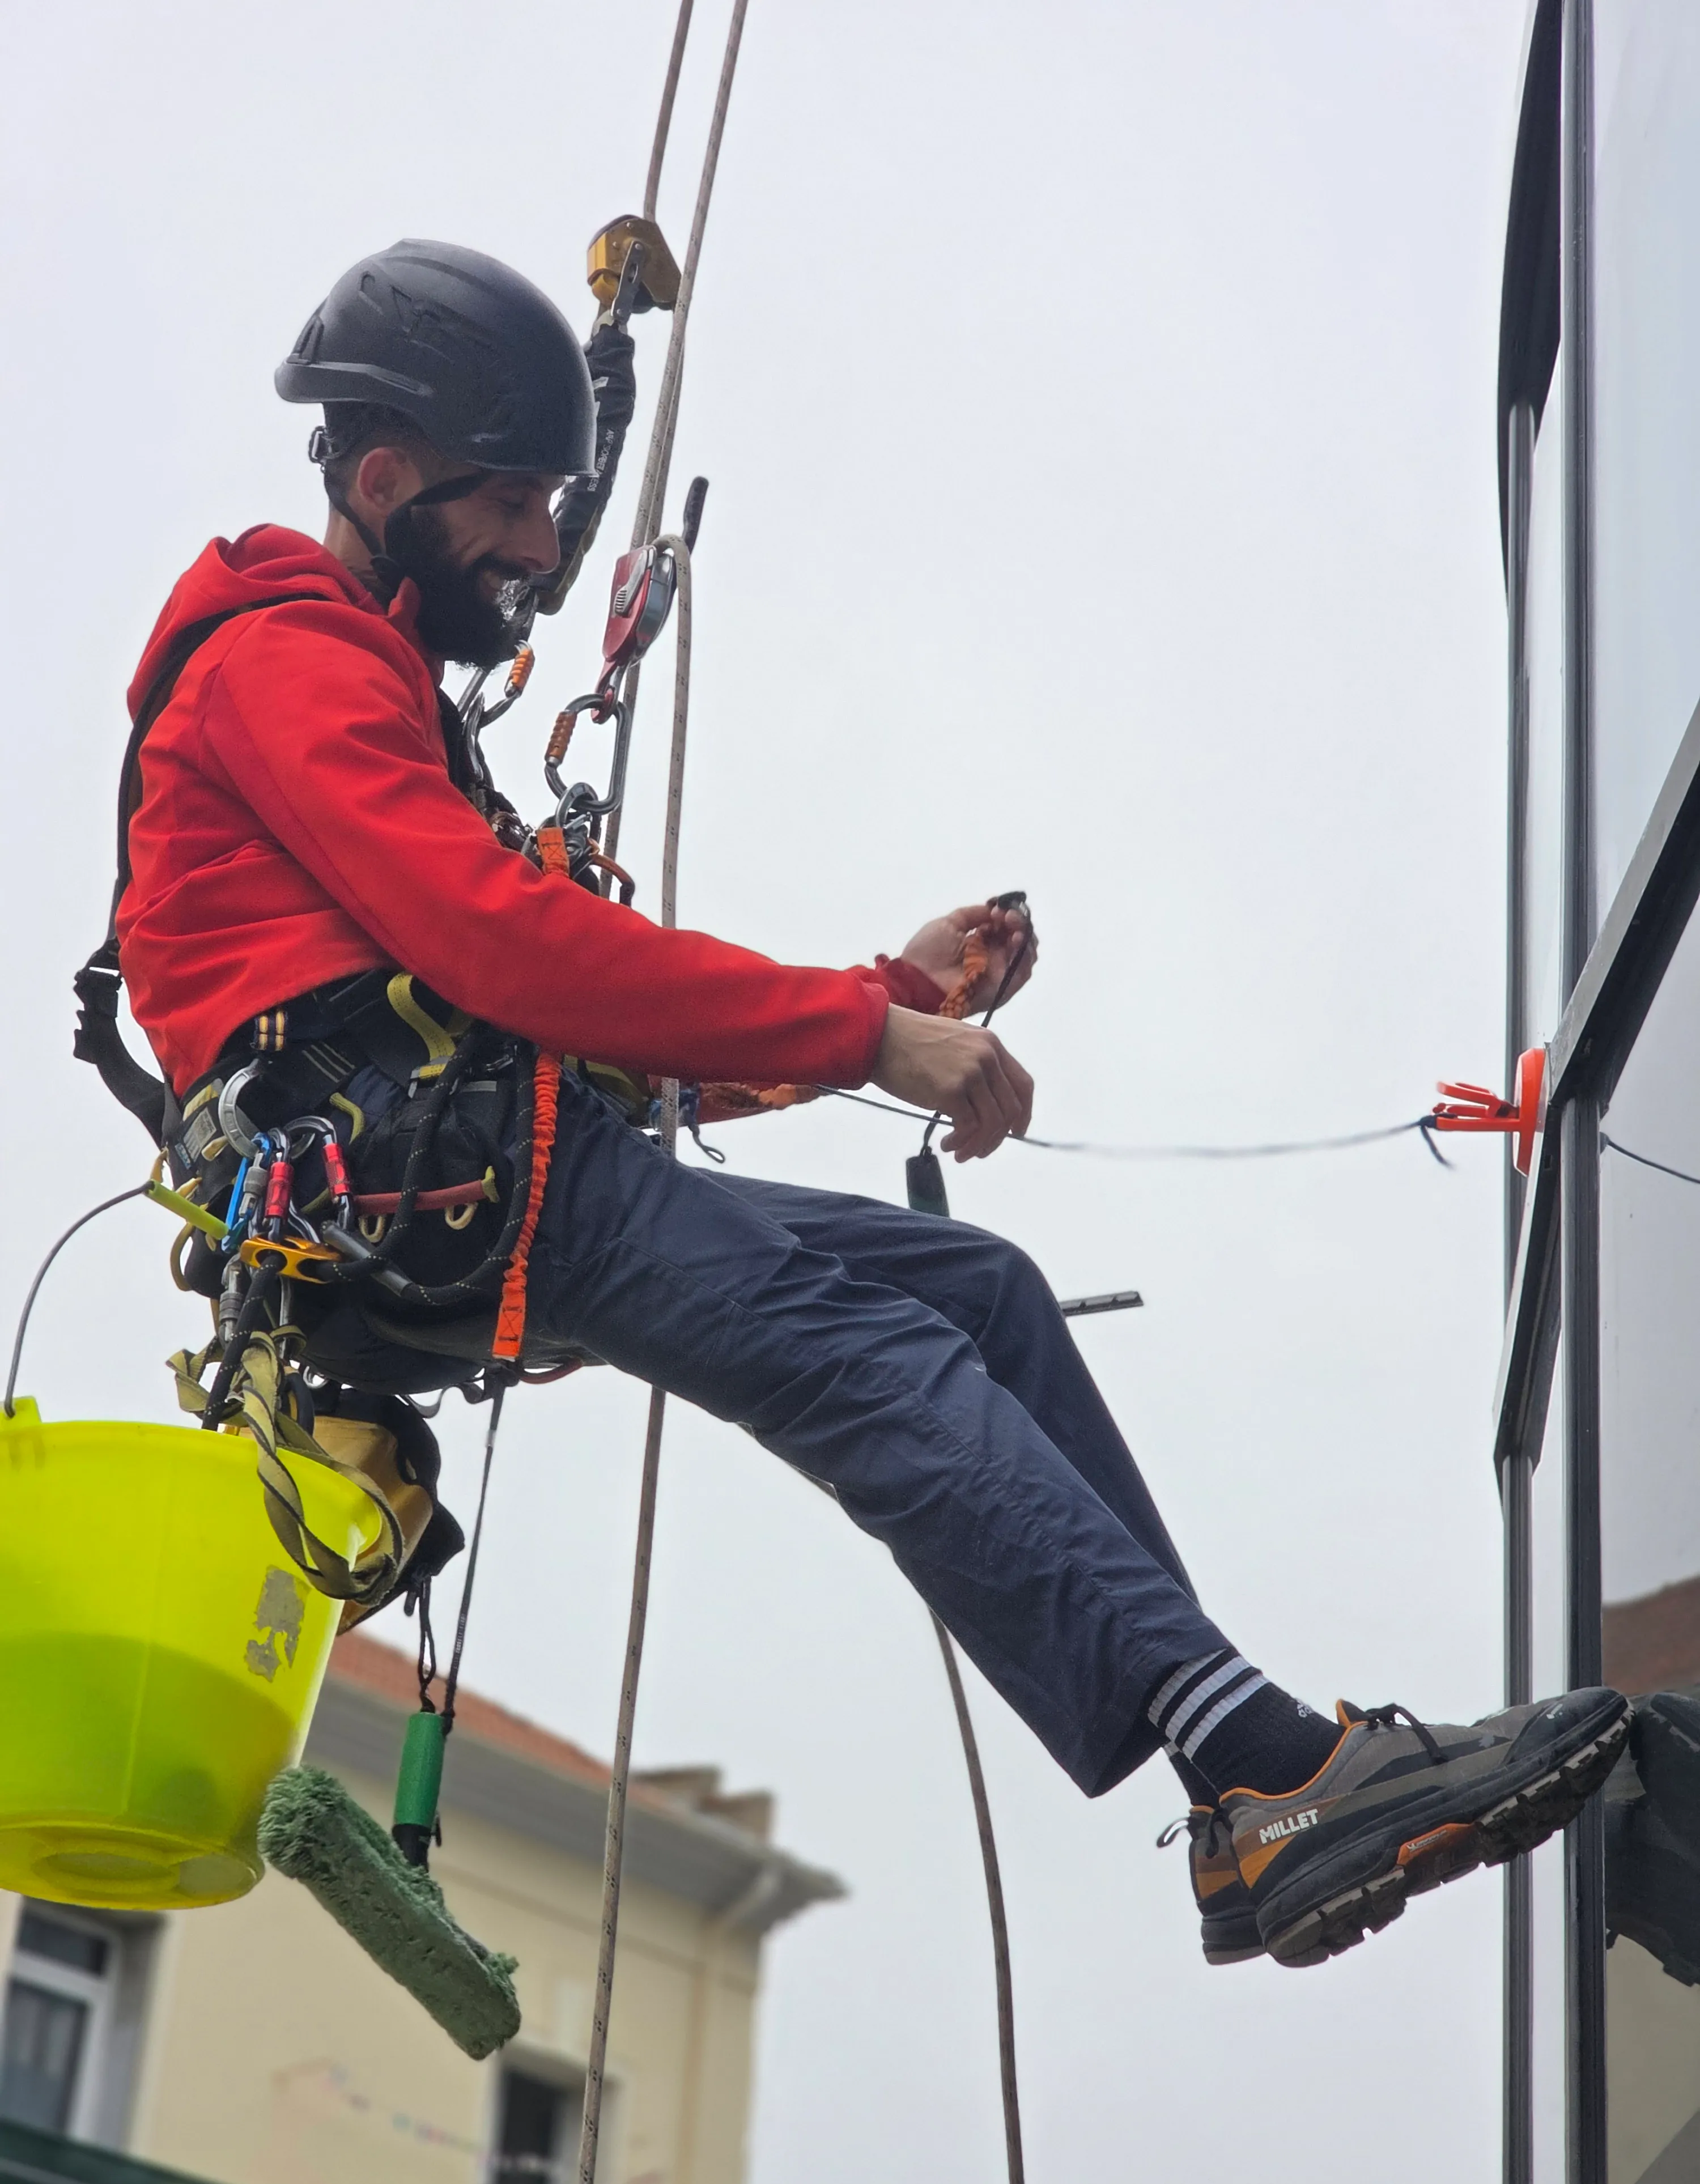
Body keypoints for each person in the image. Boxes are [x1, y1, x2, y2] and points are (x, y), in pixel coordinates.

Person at [103, 240, 1628, 1970]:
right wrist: (861, 1040)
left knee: (972, 1299)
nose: (538, 550)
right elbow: (502, 943)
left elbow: (547, 1019)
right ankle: (1265, 1761)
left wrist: (886, 1003)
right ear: (385, 481)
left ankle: (1238, 1805)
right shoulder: (284, 661)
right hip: (434, 1183)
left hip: (481, 1160)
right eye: (514, 505)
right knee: (870, 1362)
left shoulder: (351, 673)